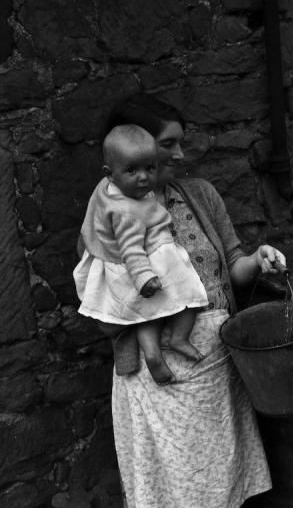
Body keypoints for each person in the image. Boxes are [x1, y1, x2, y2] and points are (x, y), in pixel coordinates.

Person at [98, 93, 286, 508]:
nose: (180, 155)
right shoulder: (111, 212)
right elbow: (102, 294)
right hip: (157, 371)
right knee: (169, 481)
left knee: (205, 479)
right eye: (168, 144)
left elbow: (233, 262)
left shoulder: (198, 194)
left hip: (213, 357)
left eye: (181, 142)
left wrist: (259, 259)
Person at [74, 124, 208, 385]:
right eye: (132, 171)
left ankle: (152, 353)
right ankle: (179, 338)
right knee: (190, 294)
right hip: (142, 267)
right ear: (109, 173)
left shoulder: (107, 192)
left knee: (148, 313)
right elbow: (132, 248)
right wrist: (143, 277)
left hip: (124, 267)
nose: (144, 178)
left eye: (149, 168)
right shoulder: (127, 212)